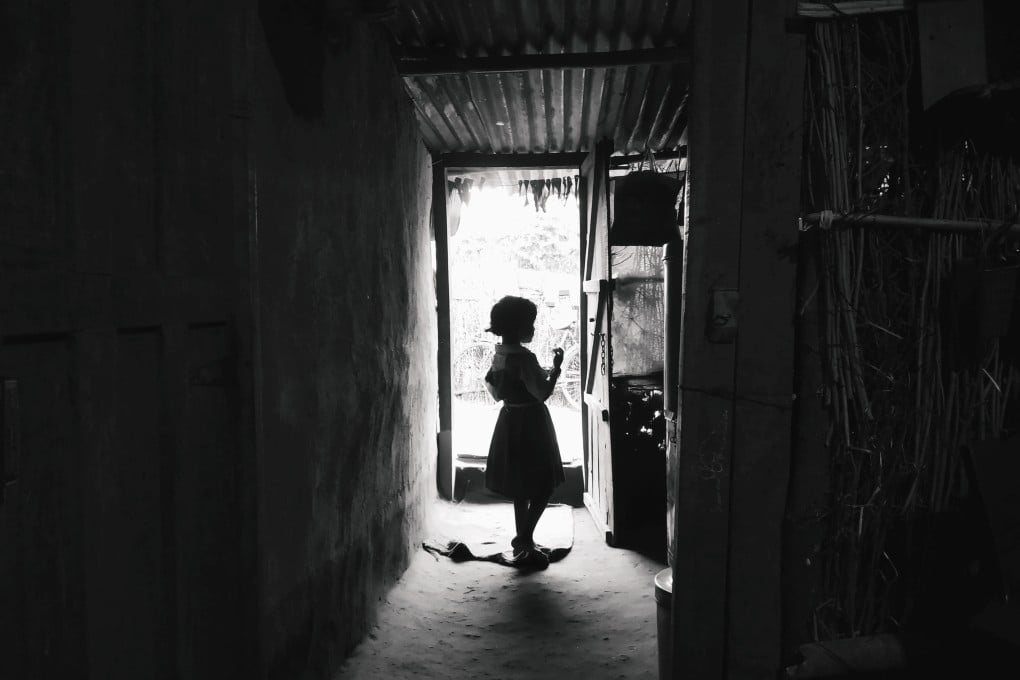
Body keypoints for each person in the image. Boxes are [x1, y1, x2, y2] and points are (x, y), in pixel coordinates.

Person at [482, 295, 565, 566]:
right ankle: (525, 538)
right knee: (542, 484)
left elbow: (496, 389)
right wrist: (555, 371)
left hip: (509, 419)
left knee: (520, 485)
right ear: (520, 327)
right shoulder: (526, 358)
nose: (534, 329)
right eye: (531, 324)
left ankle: (523, 538)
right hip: (531, 422)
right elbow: (541, 393)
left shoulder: (501, 354)